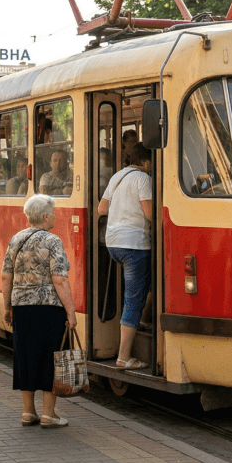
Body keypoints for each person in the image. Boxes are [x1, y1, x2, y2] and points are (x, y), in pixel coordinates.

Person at [2, 194, 76, 429]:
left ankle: (28, 412)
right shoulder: (53, 241)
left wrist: (7, 306)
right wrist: (71, 313)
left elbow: (6, 276)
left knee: (25, 357)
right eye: (53, 212)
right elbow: (60, 280)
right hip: (49, 309)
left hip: (21, 308)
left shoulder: (16, 239)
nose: (55, 216)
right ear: (45, 216)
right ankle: (48, 414)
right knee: (49, 358)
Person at [98, 143, 153, 370]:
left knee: (145, 287)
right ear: (147, 162)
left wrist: (122, 212)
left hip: (114, 243)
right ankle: (124, 357)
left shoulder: (117, 177)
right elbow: (150, 214)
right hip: (134, 245)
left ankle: (142, 320)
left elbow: (102, 208)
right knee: (133, 299)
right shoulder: (143, 179)